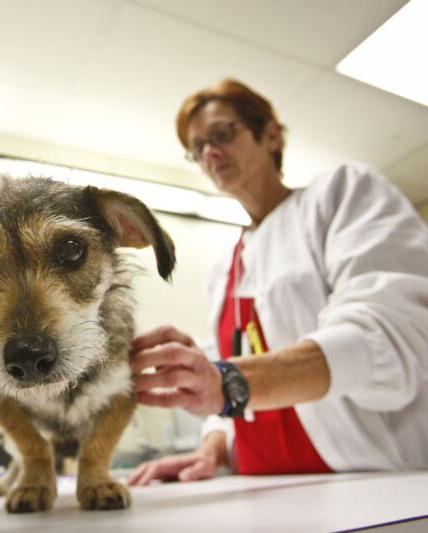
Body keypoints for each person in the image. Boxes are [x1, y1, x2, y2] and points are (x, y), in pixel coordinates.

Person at [128, 78, 428, 485]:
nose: (210, 153)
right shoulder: (223, 267)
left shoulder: (341, 195)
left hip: (364, 483)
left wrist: (231, 382)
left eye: (222, 133)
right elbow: (227, 365)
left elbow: (390, 341)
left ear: (270, 134)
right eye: (197, 149)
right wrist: (211, 446)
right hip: (262, 486)